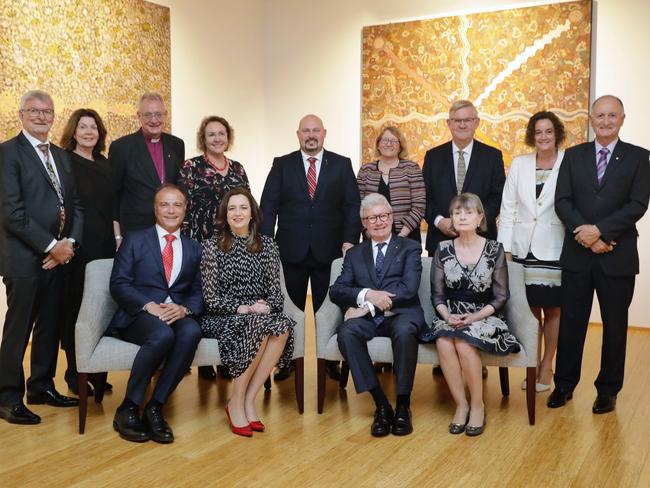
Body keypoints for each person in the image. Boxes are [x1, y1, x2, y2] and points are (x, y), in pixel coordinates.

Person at [548, 95, 650, 414]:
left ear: (622, 118)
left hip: (616, 255)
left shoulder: (639, 157)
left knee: (615, 325)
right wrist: (587, 234)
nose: (605, 121)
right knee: (572, 323)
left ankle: (607, 390)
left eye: (612, 116)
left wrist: (602, 233)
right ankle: (564, 384)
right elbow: (562, 201)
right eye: (599, 116)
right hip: (578, 254)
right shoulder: (573, 156)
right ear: (591, 119)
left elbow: (637, 204)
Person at [0, 90, 82, 425]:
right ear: (21, 114)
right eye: (34, 111)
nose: (41, 116)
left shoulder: (61, 156)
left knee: (49, 325)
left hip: (59, 257)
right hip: (24, 259)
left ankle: (41, 386)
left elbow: (75, 205)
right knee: (19, 330)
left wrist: (69, 244)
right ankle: (7, 397)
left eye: (47, 111)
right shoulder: (7, 153)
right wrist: (51, 246)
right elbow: (11, 212)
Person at [260, 114, 361, 381]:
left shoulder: (341, 164)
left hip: (330, 254)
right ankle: (287, 360)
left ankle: (329, 360)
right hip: (289, 251)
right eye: (306, 131)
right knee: (289, 308)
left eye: (315, 130)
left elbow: (352, 207)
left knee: (328, 310)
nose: (311, 135)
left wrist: (350, 241)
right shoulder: (282, 164)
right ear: (298, 134)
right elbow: (268, 206)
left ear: (324, 133)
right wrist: (266, 243)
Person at [108, 184, 203, 443]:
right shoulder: (135, 239)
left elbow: (198, 291)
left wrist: (184, 309)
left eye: (177, 205)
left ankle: (155, 407)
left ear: (185, 209)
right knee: (162, 335)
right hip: (139, 315)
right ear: (155, 209)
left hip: (175, 314)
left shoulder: (195, 248)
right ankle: (128, 408)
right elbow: (118, 283)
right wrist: (148, 305)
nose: (171, 210)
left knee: (192, 331)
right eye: (164, 204)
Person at [421, 193, 520, 436]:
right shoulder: (442, 248)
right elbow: (437, 295)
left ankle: (478, 406)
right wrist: (446, 316)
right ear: (451, 218)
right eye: (457, 212)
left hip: (485, 315)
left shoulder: (495, 249)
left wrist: (474, 318)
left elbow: (500, 297)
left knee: (464, 344)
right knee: (444, 341)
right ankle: (461, 405)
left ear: (480, 218)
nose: (462, 216)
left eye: (468, 212)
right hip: (450, 314)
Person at [200, 188, 294, 437]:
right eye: (232, 208)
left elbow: (276, 294)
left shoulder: (268, 246)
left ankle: (249, 400)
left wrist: (263, 308)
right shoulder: (212, 246)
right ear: (225, 214)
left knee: (282, 325)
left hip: (258, 313)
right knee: (257, 323)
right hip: (221, 317)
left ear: (252, 213)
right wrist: (243, 308)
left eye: (243, 207)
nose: (238, 213)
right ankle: (235, 402)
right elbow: (210, 300)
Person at [329, 193, 424, 437]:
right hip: (368, 320)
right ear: (364, 223)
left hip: (402, 313)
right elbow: (337, 290)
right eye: (372, 218)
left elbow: (409, 288)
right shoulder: (354, 254)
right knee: (346, 332)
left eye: (383, 216)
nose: (379, 222)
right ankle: (381, 404)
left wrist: (369, 306)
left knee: (405, 332)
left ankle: (403, 405)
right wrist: (367, 294)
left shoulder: (410, 248)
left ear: (392, 218)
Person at [422, 99, 505, 378]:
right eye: (456, 120)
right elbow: (427, 199)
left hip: (480, 242)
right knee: (445, 293)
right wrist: (440, 221)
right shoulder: (433, 156)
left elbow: (496, 196)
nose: (462, 125)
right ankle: (444, 357)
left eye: (467, 120)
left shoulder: (492, 156)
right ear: (448, 123)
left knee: (478, 294)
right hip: (441, 240)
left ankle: (474, 351)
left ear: (476, 123)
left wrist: (475, 223)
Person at [498, 111, 566, 392]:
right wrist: (506, 249)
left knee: (553, 309)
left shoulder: (569, 162)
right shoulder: (519, 164)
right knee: (530, 309)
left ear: (557, 133)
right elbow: (508, 207)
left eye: (548, 131)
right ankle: (531, 364)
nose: (543, 137)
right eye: (538, 132)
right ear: (532, 135)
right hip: (523, 248)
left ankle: (547, 365)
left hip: (556, 246)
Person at [178, 115, 249, 381]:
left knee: (228, 295)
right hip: (200, 243)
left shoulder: (238, 169)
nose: (217, 138)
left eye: (221, 133)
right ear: (203, 139)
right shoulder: (191, 167)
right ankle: (205, 360)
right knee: (203, 296)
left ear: (228, 137)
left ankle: (226, 356)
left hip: (231, 245)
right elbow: (182, 207)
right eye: (211, 134)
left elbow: (247, 206)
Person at [59, 108, 115, 395]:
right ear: (74, 131)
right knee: (76, 308)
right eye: (83, 127)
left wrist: (118, 238)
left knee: (103, 306)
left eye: (93, 127)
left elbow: (114, 207)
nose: (89, 132)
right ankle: (74, 373)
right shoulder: (64, 162)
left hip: (106, 244)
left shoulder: (106, 164)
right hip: (79, 245)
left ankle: (99, 374)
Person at [110, 92, 185, 240]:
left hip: (170, 229)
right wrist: (118, 236)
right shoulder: (122, 147)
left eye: (158, 114)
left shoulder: (177, 144)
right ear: (139, 116)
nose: (154, 120)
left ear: (165, 115)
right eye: (148, 115)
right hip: (136, 231)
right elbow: (113, 195)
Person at [356, 126, 425, 243]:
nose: (389, 144)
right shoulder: (365, 170)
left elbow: (419, 206)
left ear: (400, 146)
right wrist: (370, 233)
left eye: (394, 141)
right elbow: (358, 206)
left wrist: (401, 236)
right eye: (385, 140)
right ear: (378, 145)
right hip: (372, 238)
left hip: (407, 237)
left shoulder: (411, 168)